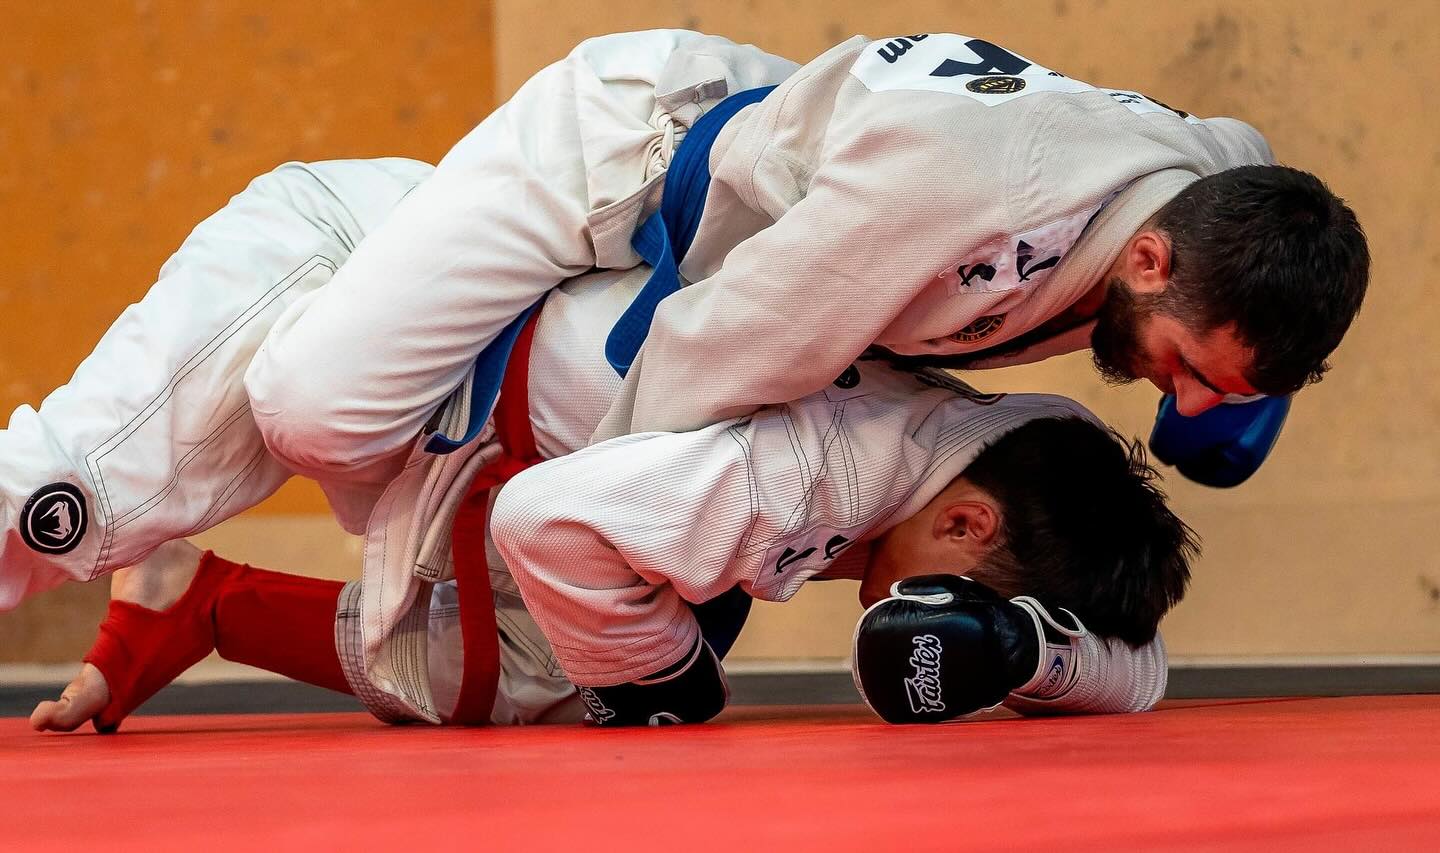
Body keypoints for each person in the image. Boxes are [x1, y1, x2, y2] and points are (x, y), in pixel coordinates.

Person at [230, 28, 1369, 507]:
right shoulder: (953, 204)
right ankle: (357, 219)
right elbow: (695, 357)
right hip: (623, 150)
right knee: (316, 412)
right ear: (1151, 252)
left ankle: (430, 272)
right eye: (1183, 366)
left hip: (783, 211)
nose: (1184, 397)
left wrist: (1241, 379)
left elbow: (1256, 162)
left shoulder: (1221, 181)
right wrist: (579, 530)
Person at [33, 378, 1196, 732]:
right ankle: (204, 602)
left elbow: (1139, 673)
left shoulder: (1056, 461)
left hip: (607, 435)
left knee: (606, 651)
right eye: (956, 597)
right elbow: (544, 519)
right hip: (503, 417)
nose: (935, 622)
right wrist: (661, 678)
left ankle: (204, 597)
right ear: (968, 528)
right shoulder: (796, 483)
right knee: (528, 678)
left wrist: (1031, 648)